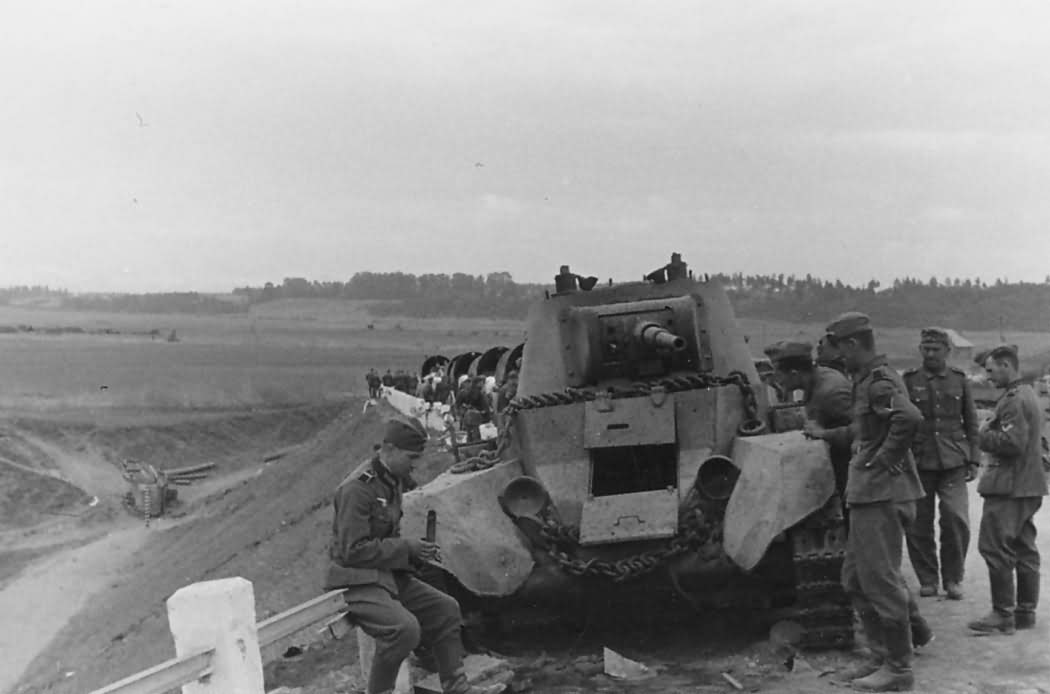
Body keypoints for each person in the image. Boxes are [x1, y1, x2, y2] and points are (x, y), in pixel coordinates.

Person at [806, 312, 925, 692]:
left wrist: (884, 459)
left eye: (840, 348)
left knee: (880, 580)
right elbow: (862, 431)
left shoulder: (880, 380)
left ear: (853, 345)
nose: (838, 356)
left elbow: (909, 417)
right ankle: (879, 655)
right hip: (867, 493)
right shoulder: (863, 382)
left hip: (882, 495)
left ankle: (899, 668)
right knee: (855, 578)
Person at [323, 418, 483, 694]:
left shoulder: (391, 480)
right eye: (411, 457)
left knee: (446, 609)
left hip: (386, 575)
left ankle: (457, 688)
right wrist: (406, 549)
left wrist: (413, 557)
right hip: (355, 580)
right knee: (404, 630)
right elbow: (353, 550)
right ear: (390, 449)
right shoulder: (357, 489)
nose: (415, 465)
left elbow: (387, 536)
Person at [968, 345, 1048, 634]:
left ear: (1005, 365)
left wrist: (982, 433)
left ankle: (1002, 614)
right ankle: (1024, 612)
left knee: (994, 546)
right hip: (1027, 484)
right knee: (1023, 547)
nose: (987, 377)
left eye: (990, 370)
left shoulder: (1013, 400)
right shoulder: (1028, 394)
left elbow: (1012, 443)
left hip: (1009, 486)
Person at [902, 327, 980, 600]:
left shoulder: (959, 380)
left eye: (936, 349)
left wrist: (974, 458)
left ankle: (953, 578)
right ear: (920, 350)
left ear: (948, 351)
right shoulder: (910, 380)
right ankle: (927, 578)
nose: (931, 354)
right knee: (918, 523)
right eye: (926, 349)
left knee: (955, 518)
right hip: (920, 461)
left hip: (953, 460)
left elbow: (971, 421)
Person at [764, 339, 852, 497]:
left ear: (794, 374)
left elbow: (863, 434)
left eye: (779, 374)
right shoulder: (814, 380)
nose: (778, 381)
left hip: (854, 480)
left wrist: (823, 434)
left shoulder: (832, 392)